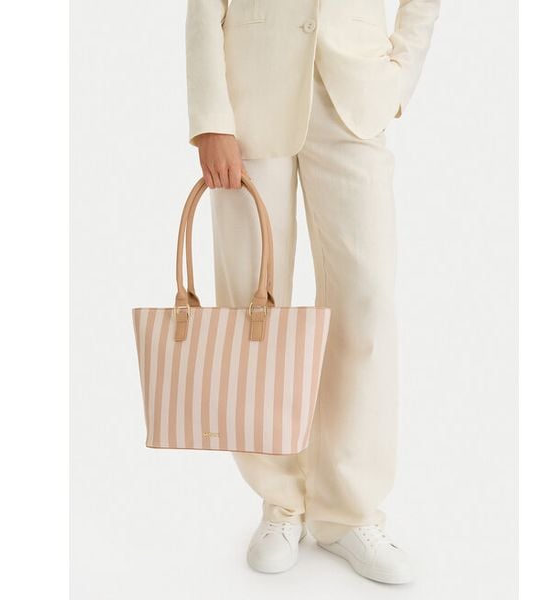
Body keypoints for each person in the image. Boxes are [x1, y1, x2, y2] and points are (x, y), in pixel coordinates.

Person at [186, 0, 439, 584]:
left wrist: (400, 76)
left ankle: (348, 511)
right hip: (249, 99)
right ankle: (280, 501)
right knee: (253, 304)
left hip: (356, 97)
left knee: (366, 305)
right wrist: (211, 118)